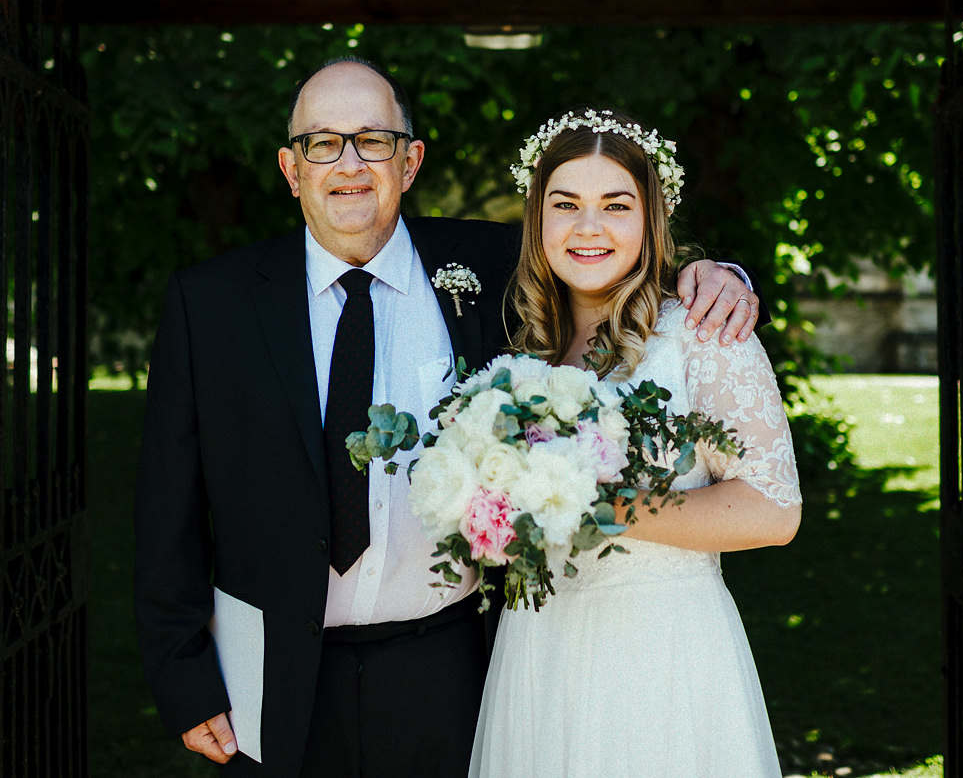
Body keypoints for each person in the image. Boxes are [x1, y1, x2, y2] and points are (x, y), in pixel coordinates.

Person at [133, 60, 763, 777]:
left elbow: (609, 252)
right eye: (322, 143)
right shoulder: (210, 303)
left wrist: (721, 275)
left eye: (373, 140)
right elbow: (166, 513)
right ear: (290, 166)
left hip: (452, 668)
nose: (349, 164)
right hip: (271, 677)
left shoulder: (498, 268)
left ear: (410, 160)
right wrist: (183, 678)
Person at [468, 109, 802, 778]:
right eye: (566, 204)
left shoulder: (705, 331)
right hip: (539, 647)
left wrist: (614, 508)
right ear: (538, 219)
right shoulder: (522, 348)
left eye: (615, 205)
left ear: (652, 218)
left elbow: (774, 509)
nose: (589, 227)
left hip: (661, 654)